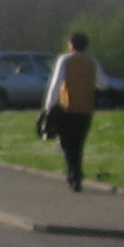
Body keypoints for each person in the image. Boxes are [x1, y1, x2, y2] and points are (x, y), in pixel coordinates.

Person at [40, 31, 99, 191]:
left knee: (67, 144)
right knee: (79, 143)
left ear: (71, 45)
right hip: (86, 109)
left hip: (67, 108)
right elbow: (104, 82)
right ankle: (76, 173)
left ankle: (74, 174)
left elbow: (56, 84)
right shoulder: (92, 61)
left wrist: (48, 106)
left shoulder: (65, 60)